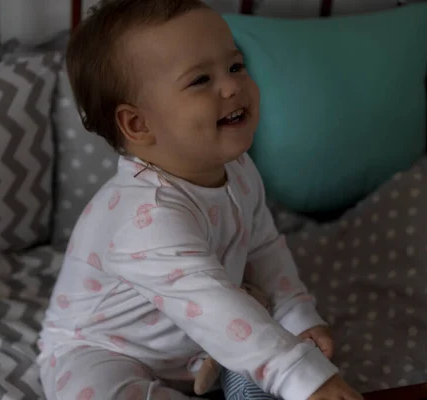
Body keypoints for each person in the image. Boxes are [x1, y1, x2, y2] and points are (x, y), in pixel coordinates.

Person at [36, 1, 363, 399]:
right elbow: (212, 304)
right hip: (106, 348)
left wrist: (297, 315)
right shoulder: (146, 218)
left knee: (247, 309)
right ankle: (242, 367)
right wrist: (305, 378)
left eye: (235, 66)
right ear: (139, 124)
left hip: (205, 330)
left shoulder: (238, 169)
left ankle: (236, 369)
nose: (231, 86)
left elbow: (262, 246)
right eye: (200, 80)